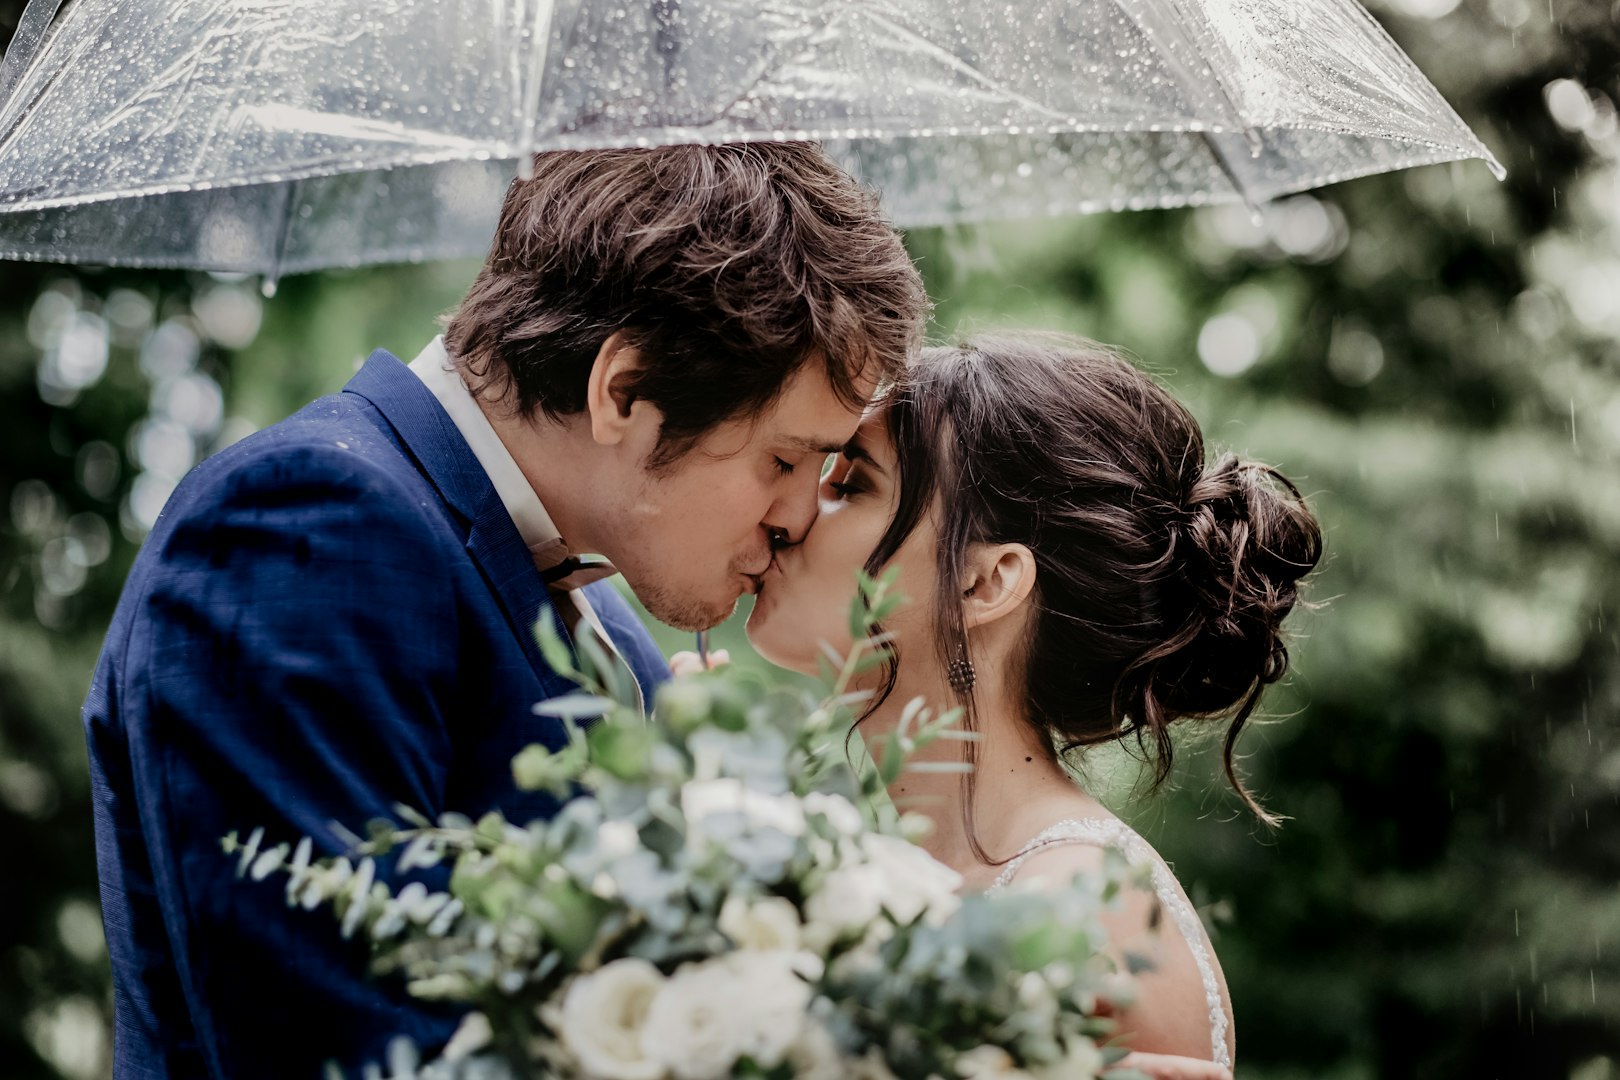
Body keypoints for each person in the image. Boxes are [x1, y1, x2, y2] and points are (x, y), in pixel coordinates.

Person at [82, 142, 927, 1080]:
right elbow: (340, 1036)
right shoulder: (305, 525)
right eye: (784, 459)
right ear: (623, 390)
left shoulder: (611, 629)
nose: (800, 515)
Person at [745, 333, 1324, 1070]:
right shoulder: (881, 874)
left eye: (851, 484)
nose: (790, 512)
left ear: (985, 583)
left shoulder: (1080, 912)